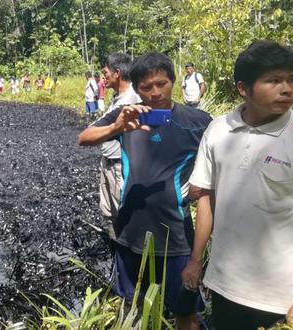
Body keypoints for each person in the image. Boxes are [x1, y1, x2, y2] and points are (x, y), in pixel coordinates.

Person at [78, 53, 212, 330]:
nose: (155, 93)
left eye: (161, 84)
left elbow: (223, 151)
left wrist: (205, 181)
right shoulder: (127, 115)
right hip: (130, 231)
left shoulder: (197, 120)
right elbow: (84, 137)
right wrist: (116, 127)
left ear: (173, 81)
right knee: (132, 304)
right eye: (146, 87)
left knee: (185, 313)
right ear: (137, 88)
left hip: (175, 235)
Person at [182, 41, 293, 330]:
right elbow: (207, 199)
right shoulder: (218, 130)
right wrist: (196, 260)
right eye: (274, 80)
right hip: (225, 284)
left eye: (290, 79)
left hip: (282, 296)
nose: (287, 88)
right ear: (243, 88)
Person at [86, 53, 141, 240]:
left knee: (123, 211)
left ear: (117, 73)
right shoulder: (118, 97)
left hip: (120, 164)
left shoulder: (132, 99)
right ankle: (116, 250)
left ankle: (127, 256)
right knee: (108, 210)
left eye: (105, 72)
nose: (103, 77)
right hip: (108, 161)